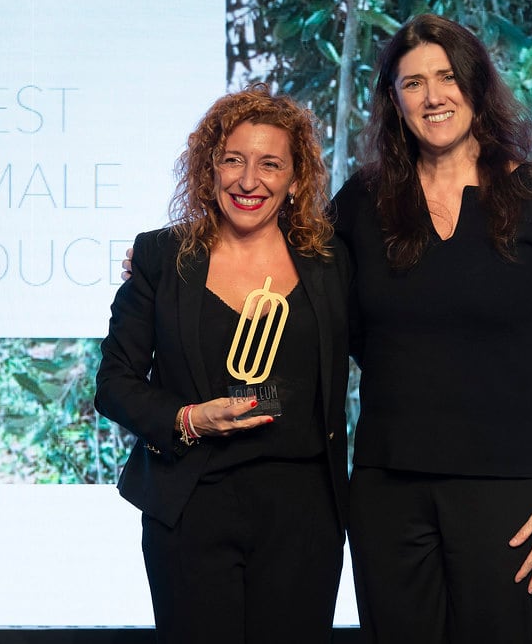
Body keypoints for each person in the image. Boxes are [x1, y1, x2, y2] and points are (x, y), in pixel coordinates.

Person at [331, 14, 532, 643]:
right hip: (389, 495)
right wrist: (168, 260)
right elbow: (300, 287)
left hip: (517, 500)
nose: (433, 96)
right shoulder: (360, 203)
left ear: (477, 85)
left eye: (447, 76)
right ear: (393, 101)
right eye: (412, 84)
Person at [96, 84, 352, 644]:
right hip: (191, 505)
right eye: (232, 160)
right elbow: (113, 383)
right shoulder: (163, 257)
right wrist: (189, 419)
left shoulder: (333, 262)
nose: (248, 180)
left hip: (302, 509)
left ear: (295, 178)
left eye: (269, 164)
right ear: (208, 168)